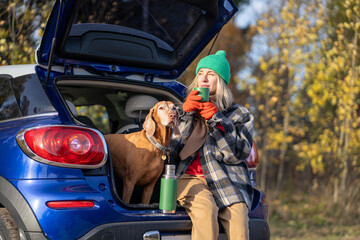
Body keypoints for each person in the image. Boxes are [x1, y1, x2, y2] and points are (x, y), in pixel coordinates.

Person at [170, 50, 254, 240]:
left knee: (239, 217)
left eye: (211, 74)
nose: (204, 79)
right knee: (206, 211)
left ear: (221, 81)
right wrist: (184, 114)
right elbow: (169, 151)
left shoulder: (240, 114)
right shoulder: (181, 109)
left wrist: (217, 119)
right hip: (187, 178)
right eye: (200, 73)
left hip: (226, 179)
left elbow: (237, 154)